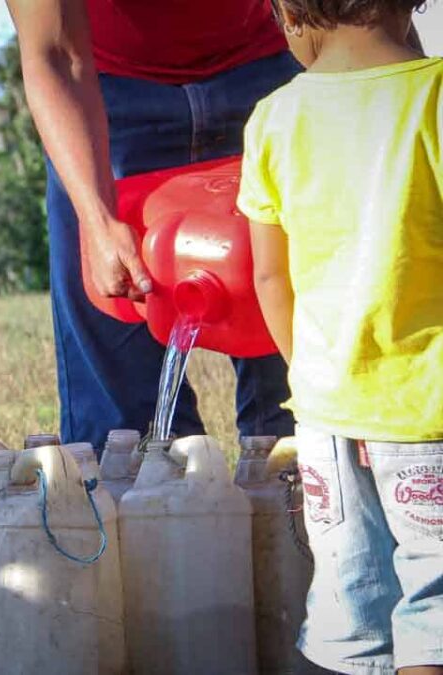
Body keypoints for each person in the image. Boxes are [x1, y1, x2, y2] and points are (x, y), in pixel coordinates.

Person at [240, 1, 443, 672]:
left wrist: (321, 381)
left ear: (288, 14)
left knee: (352, 617)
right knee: (435, 614)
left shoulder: (272, 119)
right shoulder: (434, 96)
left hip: (327, 419)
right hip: (429, 413)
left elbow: (270, 278)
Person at [5, 0, 306, 450]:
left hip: (271, 65)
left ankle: (301, 502)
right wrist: (98, 216)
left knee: (307, 382)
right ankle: (155, 505)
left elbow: (368, 18)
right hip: (103, 96)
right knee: (124, 437)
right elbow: (55, 52)